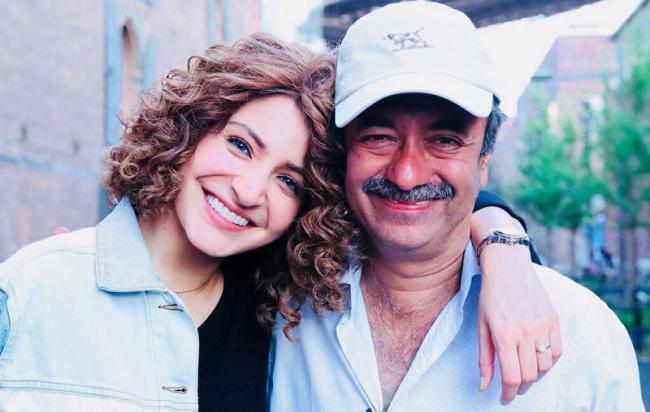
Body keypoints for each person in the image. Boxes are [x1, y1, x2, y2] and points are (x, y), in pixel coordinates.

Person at [0, 33, 554, 411]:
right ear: (188, 130)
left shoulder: (284, 307)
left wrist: (505, 252)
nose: (248, 191)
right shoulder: (35, 288)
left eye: (288, 180)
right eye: (241, 145)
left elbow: (424, 199)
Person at [270, 3, 644, 411]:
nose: (406, 175)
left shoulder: (583, 335)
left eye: (445, 140)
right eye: (378, 137)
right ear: (342, 153)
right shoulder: (281, 305)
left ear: (484, 161)